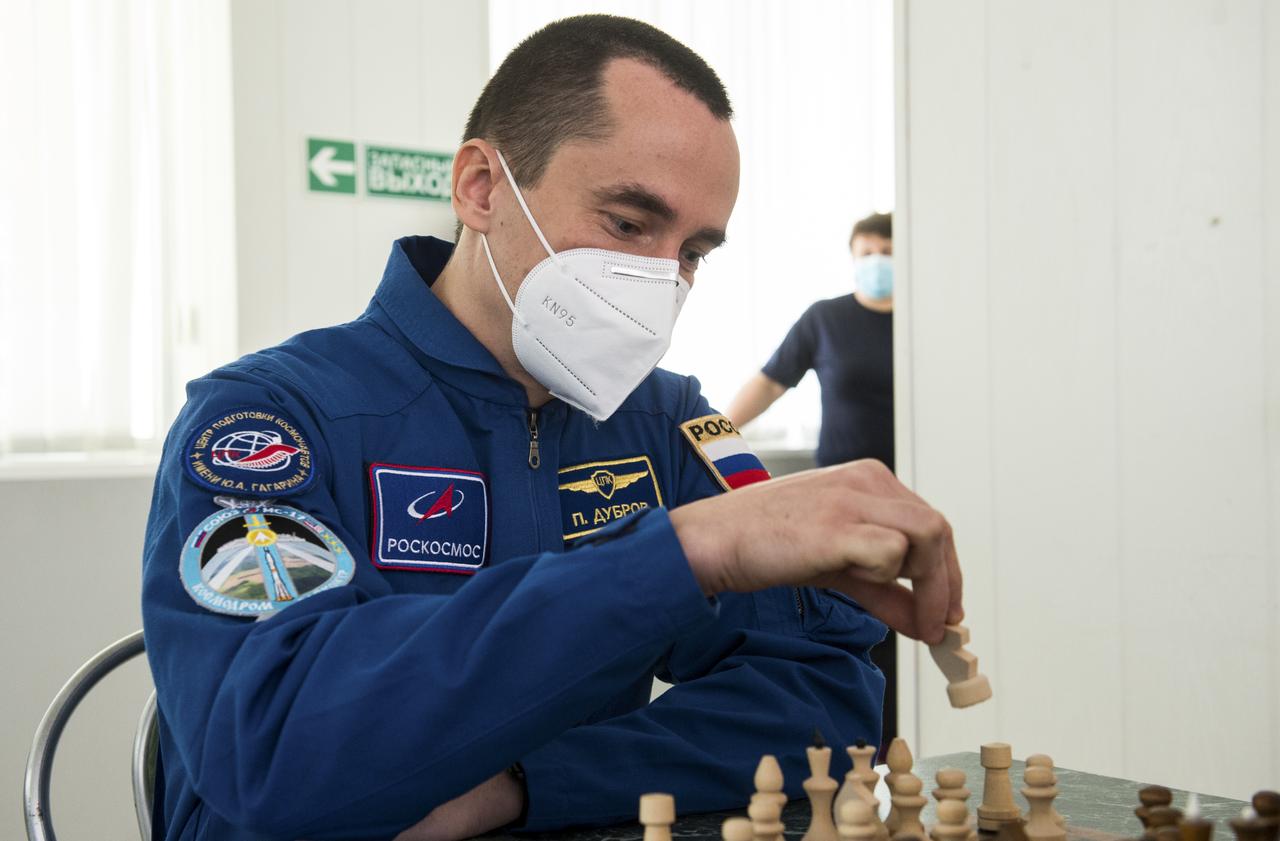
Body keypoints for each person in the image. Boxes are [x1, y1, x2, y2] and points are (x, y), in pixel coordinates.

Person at [141, 17, 961, 841]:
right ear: (481, 188)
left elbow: (821, 695)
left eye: (693, 252)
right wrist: (682, 554)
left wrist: (524, 785)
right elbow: (276, 747)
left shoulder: (667, 421)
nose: (659, 281)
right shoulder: (269, 423)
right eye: (629, 224)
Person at [726, 212, 900, 754]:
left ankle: (897, 754)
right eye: (866, 252)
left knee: (905, 641)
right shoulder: (826, 319)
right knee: (854, 632)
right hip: (845, 505)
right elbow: (769, 382)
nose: (876, 263)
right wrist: (711, 441)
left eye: (886, 252)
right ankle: (852, 753)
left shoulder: (930, 319)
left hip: (915, 498)